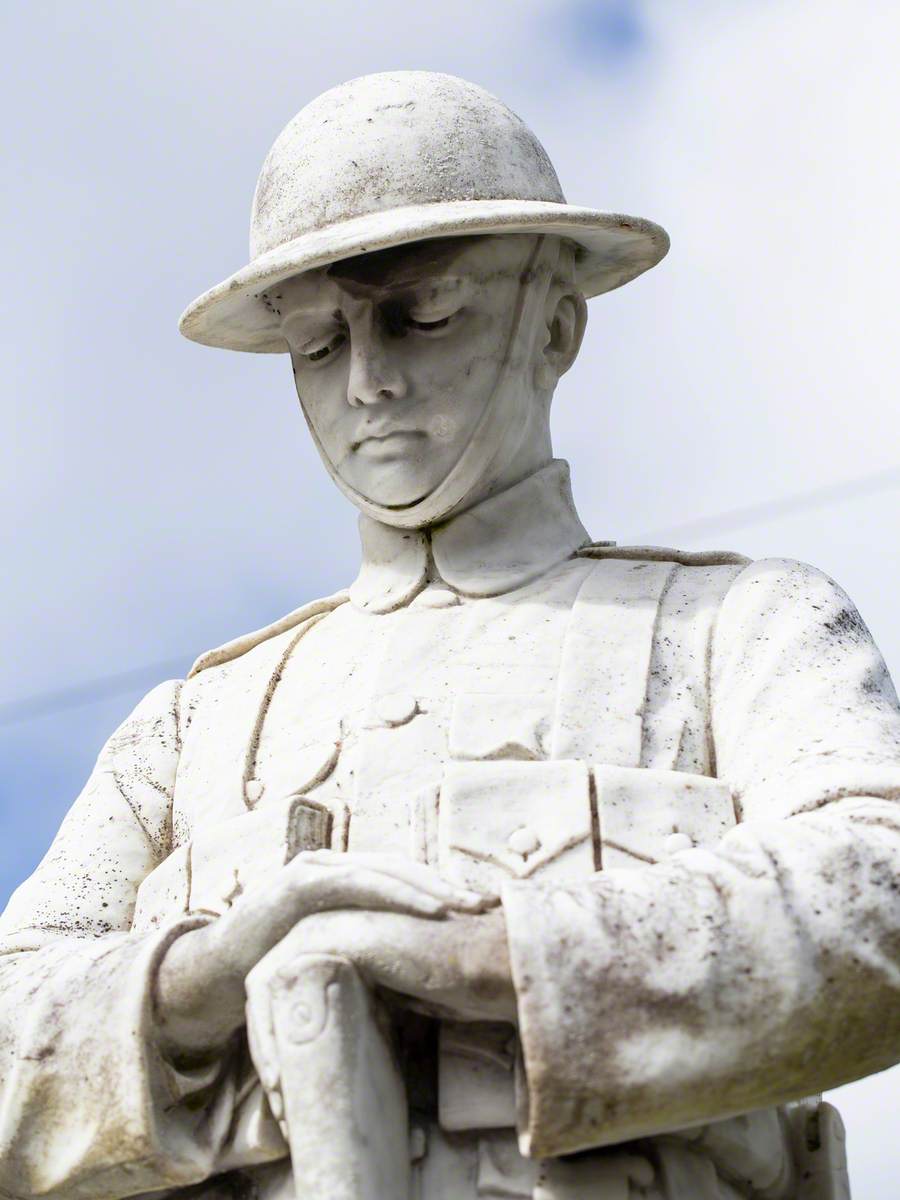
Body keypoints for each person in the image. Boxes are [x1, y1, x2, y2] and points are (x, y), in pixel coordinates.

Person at [1, 70, 898, 1200]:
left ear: (556, 324)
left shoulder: (740, 628)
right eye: (321, 346)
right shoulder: (190, 730)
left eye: (422, 315)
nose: (370, 381)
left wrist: (496, 958)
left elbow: (880, 890)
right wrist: (198, 982)